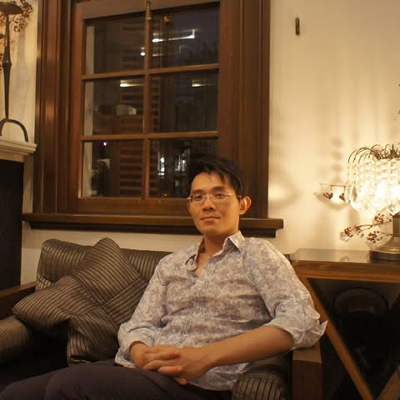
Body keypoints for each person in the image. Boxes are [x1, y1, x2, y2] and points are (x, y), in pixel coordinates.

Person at [0, 156, 325, 400]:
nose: (207, 204)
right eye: (198, 197)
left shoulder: (258, 255)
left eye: (219, 195)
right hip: (145, 370)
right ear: (190, 207)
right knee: (15, 393)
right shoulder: (172, 264)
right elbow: (138, 324)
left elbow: (302, 320)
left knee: (67, 386)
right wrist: (140, 352)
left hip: (203, 384)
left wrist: (207, 356)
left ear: (243, 204)